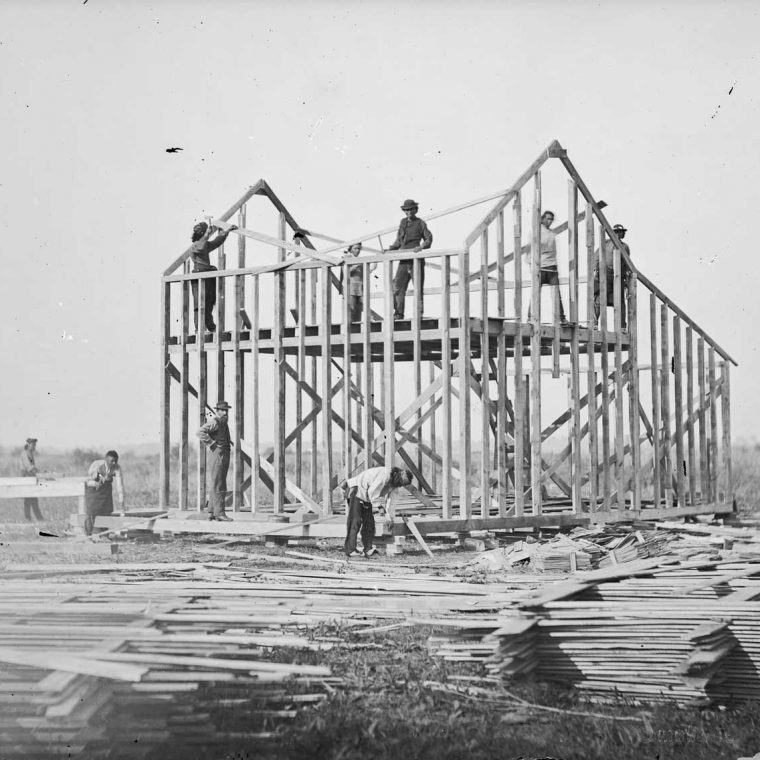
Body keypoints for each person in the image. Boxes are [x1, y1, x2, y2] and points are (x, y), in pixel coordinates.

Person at [340, 466, 413, 558]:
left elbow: (391, 504)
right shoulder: (385, 474)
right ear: (400, 474)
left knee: (369, 523)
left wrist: (390, 518)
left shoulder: (394, 486)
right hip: (357, 489)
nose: (400, 485)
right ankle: (350, 550)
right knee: (355, 521)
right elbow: (372, 491)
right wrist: (379, 506)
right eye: (401, 482)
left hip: (367, 496)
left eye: (402, 484)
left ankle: (368, 549)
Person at [388, 199, 433, 320]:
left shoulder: (420, 223)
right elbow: (398, 240)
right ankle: (398, 313)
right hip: (404, 260)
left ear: (415, 210)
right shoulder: (403, 223)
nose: (408, 212)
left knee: (417, 287)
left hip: (416, 260)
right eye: (406, 210)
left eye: (410, 209)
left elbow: (428, 238)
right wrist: (391, 249)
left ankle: (419, 314)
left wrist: (421, 247)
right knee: (397, 286)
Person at [189, 221, 237, 332]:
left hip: (208, 275)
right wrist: (206, 235)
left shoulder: (204, 244)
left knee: (209, 301)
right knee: (200, 303)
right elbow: (200, 247)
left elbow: (216, 242)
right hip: (199, 275)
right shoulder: (195, 245)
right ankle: (199, 328)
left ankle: (209, 325)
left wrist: (226, 231)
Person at [528, 210, 567, 324]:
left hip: (552, 268)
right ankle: (531, 317)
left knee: (556, 294)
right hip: (540, 268)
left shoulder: (551, 233)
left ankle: (561, 318)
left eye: (551, 219)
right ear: (543, 219)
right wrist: (531, 264)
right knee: (535, 294)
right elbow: (529, 248)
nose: (550, 221)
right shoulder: (537, 231)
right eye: (548, 219)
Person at [197, 400, 233, 522]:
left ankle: (211, 512)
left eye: (226, 410)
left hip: (223, 453)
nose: (225, 412)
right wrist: (211, 444)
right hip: (218, 454)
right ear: (217, 411)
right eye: (222, 410)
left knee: (216, 482)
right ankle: (220, 513)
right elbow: (200, 432)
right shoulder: (215, 422)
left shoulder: (223, 422)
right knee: (220, 483)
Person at [594, 223, 631, 329]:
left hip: (618, 277)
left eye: (621, 232)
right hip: (606, 274)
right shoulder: (605, 243)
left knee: (619, 301)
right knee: (599, 298)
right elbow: (596, 257)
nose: (621, 234)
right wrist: (595, 270)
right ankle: (594, 323)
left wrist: (627, 282)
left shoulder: (624, 247)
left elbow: (627, 264)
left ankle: (622, 326)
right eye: (618, 232)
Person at [85, 450, 125, 536]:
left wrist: (121, 503)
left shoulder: (117, 468)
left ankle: (104, 535)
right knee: (92, 513)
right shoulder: (97, 464)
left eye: (115, 461)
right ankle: (88, 536)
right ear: (106, 459)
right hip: (93, 489)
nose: (114, 463)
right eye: (112, 461)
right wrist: (102, 476)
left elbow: (120, 486)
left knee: (107, 511)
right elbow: (91, 477)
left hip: (106, 488)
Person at [340, 242, 376, 322]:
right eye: (355, 248)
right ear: (350, 249)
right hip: (350, 288)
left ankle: (359, 327)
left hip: (360, 287)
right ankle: (349, 327)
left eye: (359, 249)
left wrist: (373, 268)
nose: (357, 250)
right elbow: (346, 272)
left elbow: (366, 272)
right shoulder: (347, 258)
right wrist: (356, 264)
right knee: (351, 308)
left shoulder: (360, 260)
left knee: (360, 308)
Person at [19, 437, 44, 521]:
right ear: (29, 444)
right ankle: (31, 518)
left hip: (31, 478)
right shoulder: (24, 453)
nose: (34, 447)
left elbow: (32, 467)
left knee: (33, 499)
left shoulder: (30, 453)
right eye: (33, 445)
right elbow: (28, 467)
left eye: (35, 445)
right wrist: (38, 472)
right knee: (29, 499)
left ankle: (35, 518)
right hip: (26, 478)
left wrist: (39, 472)